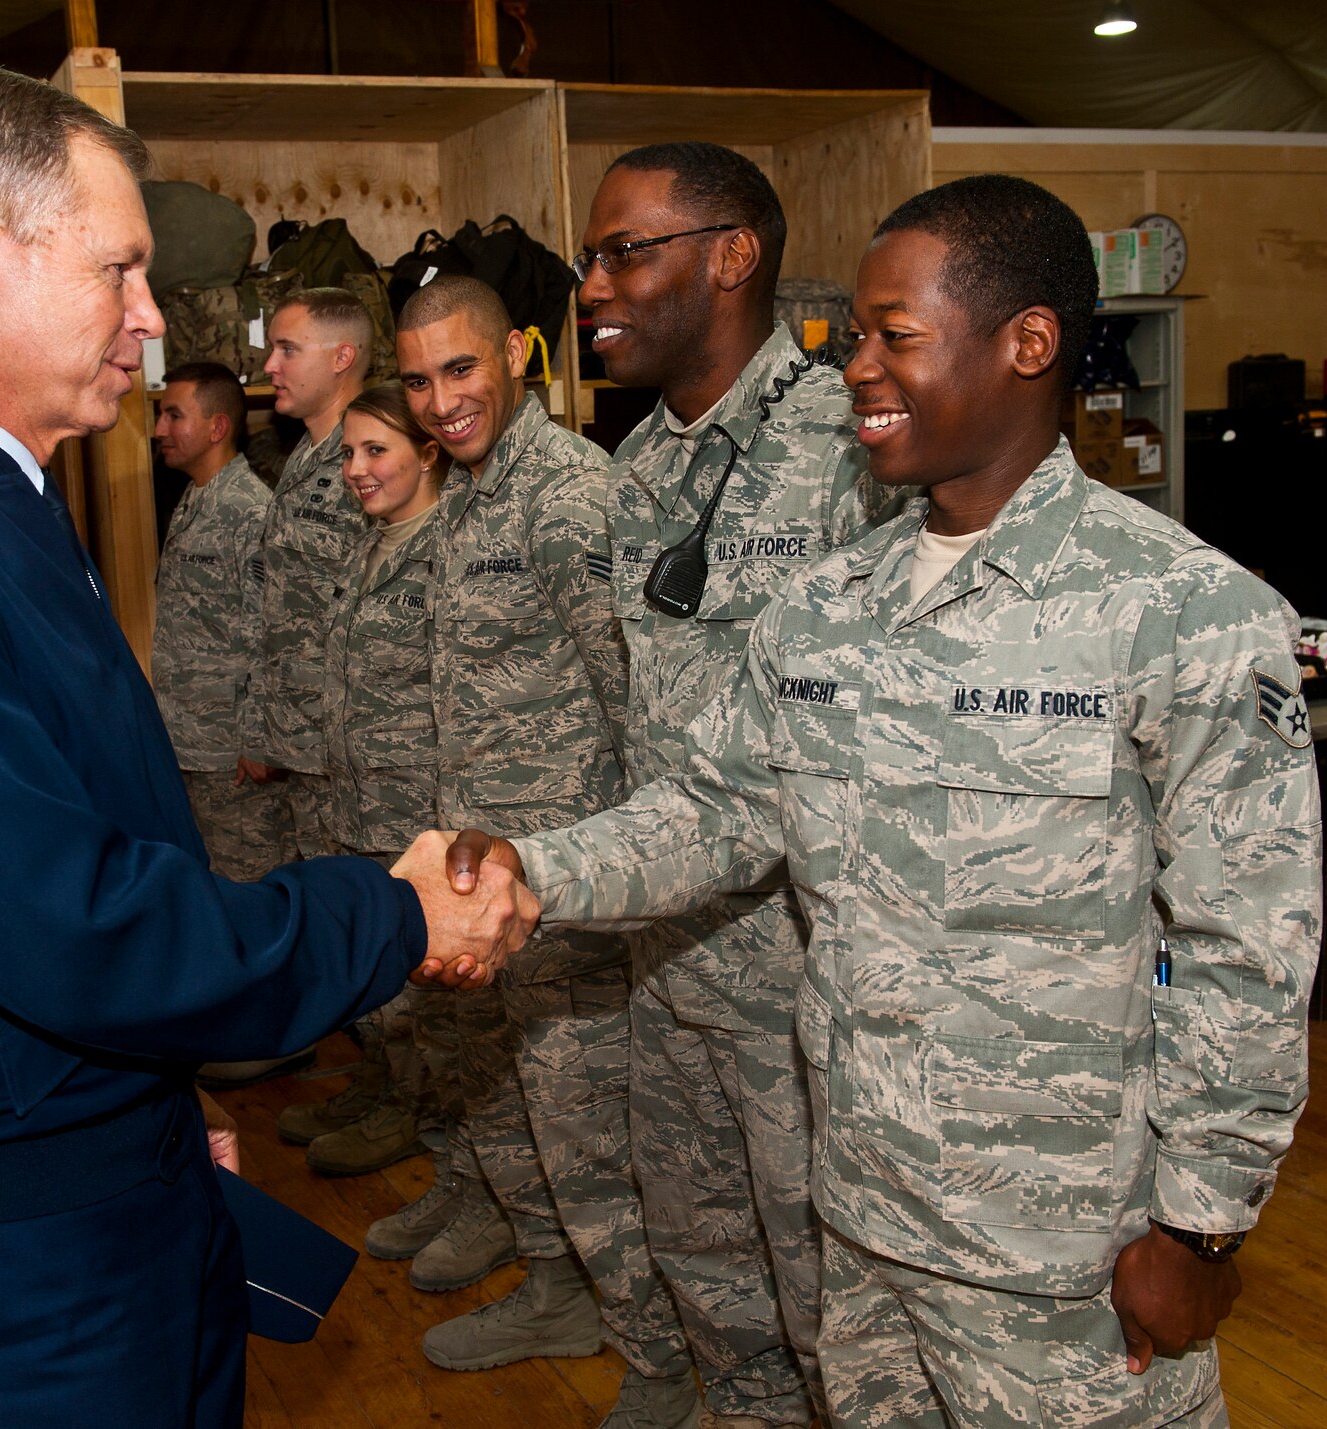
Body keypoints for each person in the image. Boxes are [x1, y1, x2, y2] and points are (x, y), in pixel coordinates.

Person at [0, 66, 529, 1429]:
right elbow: (76, 927)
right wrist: (387, 910)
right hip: (29, 1237)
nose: (151, 320)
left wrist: (155, 1094)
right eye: (120, 270)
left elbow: (85, 834)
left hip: (103, 1153)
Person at [432, 174, 1321, 1429]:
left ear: (1027, 343)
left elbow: (1250, 952)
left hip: (1060, 1258)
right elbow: (718, 810)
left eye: (892, 335)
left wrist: (1202, 1226)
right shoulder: (824, 608)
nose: (855, 367)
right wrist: (528, 870)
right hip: (856, 1221)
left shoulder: (1185, 615)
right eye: (852, 335)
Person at [574, 140, 895, 1429]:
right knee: (704, 1250)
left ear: (730, 256)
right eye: (586, 258)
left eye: (623, 251)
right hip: (670, 948)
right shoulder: (641, 463)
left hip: (807, 973)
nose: (592, 285)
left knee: (833, 1290)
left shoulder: (854, 441)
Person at [399, 275, 700, 1429]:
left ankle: (659, 1358)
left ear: (516, 355)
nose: (439, 401)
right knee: (508, 1107)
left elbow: (635, 702)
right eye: (419, 379)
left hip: (568, 892)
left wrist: (606, 880)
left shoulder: (569, 494)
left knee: (586, 1139)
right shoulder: (467, 495)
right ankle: (561, 1290)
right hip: (491, 888)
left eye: (460, 370)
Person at [207, 287, 377, 1092]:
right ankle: (374, 1081)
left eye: (286, 349)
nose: (268, 365)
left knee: (374, 917)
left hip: (354, 747)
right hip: (306, 747)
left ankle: (408, 1106)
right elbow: (281, 616)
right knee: (334, 917)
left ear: (342, 357)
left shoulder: (369, 456)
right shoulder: (309, 461)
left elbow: (369, 614)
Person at [309, 382, 460, 1185]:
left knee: (427, 1001)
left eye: (377, 450)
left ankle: (423, 1124)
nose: (356, 470)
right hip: (359, 802)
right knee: (383, 989)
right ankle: (390, 1091)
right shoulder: (370, 543)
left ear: (428, 452)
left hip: (416, 809)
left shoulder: (446, 549)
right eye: (348, 453)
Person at [150, 361, 295, 882]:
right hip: (191, 746)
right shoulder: (193, 500)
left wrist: (259, 741)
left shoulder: (250, 512)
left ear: (216, 428)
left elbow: (272, 632)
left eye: (173, 416)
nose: (159, 430)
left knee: (250, 895)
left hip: (234, 762)